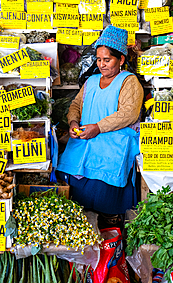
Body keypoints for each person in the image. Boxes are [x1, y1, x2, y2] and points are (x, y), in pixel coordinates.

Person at [57, 25, 144, 218]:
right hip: (85, 142)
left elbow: (129, 113)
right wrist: (73, 123)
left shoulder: (129, 82)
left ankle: (110, 232)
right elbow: (76, 105)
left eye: (107, 59)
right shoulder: (91, 81)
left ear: (121, 59)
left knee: (104, 199)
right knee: (75, 193)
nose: (102, 64)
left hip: (112, 147)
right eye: (98, 59)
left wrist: (98, 128)